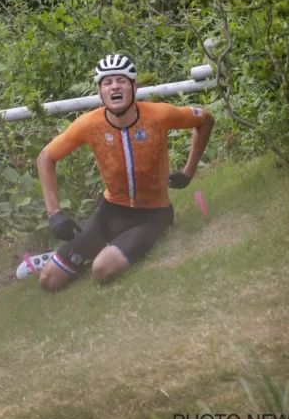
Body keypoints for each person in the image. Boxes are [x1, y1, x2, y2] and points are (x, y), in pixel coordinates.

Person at [32, 54, 215, 290]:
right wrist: (54, 213)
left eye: (122, 80)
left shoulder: (159, 115)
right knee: (49, 280)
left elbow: (205, 120)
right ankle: (98, 248)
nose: (115, 86)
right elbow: (45, 157)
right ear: (99, 92)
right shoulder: (89, 124)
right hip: (111, 212)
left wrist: (189, 172)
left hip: (154, 214)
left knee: (102, 270)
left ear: (134, 86)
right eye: (107, 82)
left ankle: (108, 251)